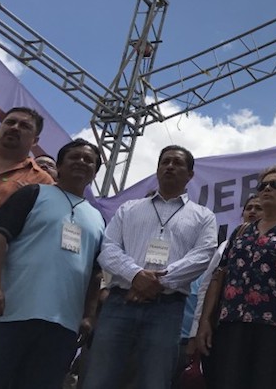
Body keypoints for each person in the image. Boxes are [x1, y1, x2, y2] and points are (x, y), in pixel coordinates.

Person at [83, 145, 217, 389]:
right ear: (157, 169)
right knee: (99, 377)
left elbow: (203, 255)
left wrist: (156, 283)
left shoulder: (203, 216)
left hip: (167, 308)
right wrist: (135, 275)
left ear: (190, 175)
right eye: (165, 162)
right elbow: (108, 249)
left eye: (177, 163)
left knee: (154, 380)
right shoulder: (129, 209)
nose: (170, 166)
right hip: (120, 302)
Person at [0, 138, 105, 388]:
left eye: (89, 160)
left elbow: (95, 272)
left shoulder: (99, 219)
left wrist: (88, 315)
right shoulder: (33, 193)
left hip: (63, 326)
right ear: (59, 166)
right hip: (10, 314)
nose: (81, 162)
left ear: (94, 173)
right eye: (74, 157)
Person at [196, 165, 276, 388]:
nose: (267, 189)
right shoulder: (242, 231)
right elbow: (219, 276)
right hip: (231, 326)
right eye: (263, 186)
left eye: (274, 185)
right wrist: (205, 320)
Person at [184, 194, 263, 382]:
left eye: (258, 208)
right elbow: (206, 288)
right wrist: (197, 329)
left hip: (260, 330)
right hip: (222, 327)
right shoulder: (225, 247)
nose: (252, 211)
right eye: (249, 207)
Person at [0, 107, 53, 216]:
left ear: (35, 141)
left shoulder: (43, 182)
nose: (15, 127)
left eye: (24, 126)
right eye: (10, 122)